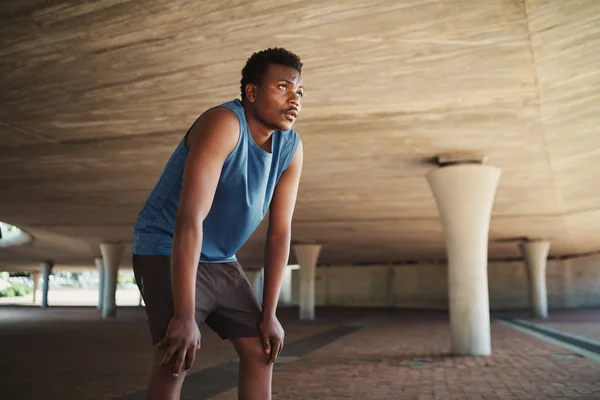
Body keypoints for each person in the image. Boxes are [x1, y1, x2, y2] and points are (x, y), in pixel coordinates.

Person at [131, 47, 304, 400]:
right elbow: (190, 219)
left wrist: (269, 314)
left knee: (262, 350)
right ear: (252, 92)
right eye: (283, 87)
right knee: (176, 356)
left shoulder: (291, 146)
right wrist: (184, 315)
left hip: (221, 259)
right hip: (167, 248)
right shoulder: (223, 124)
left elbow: (279, 233)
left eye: (299, 92)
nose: (294, 99)